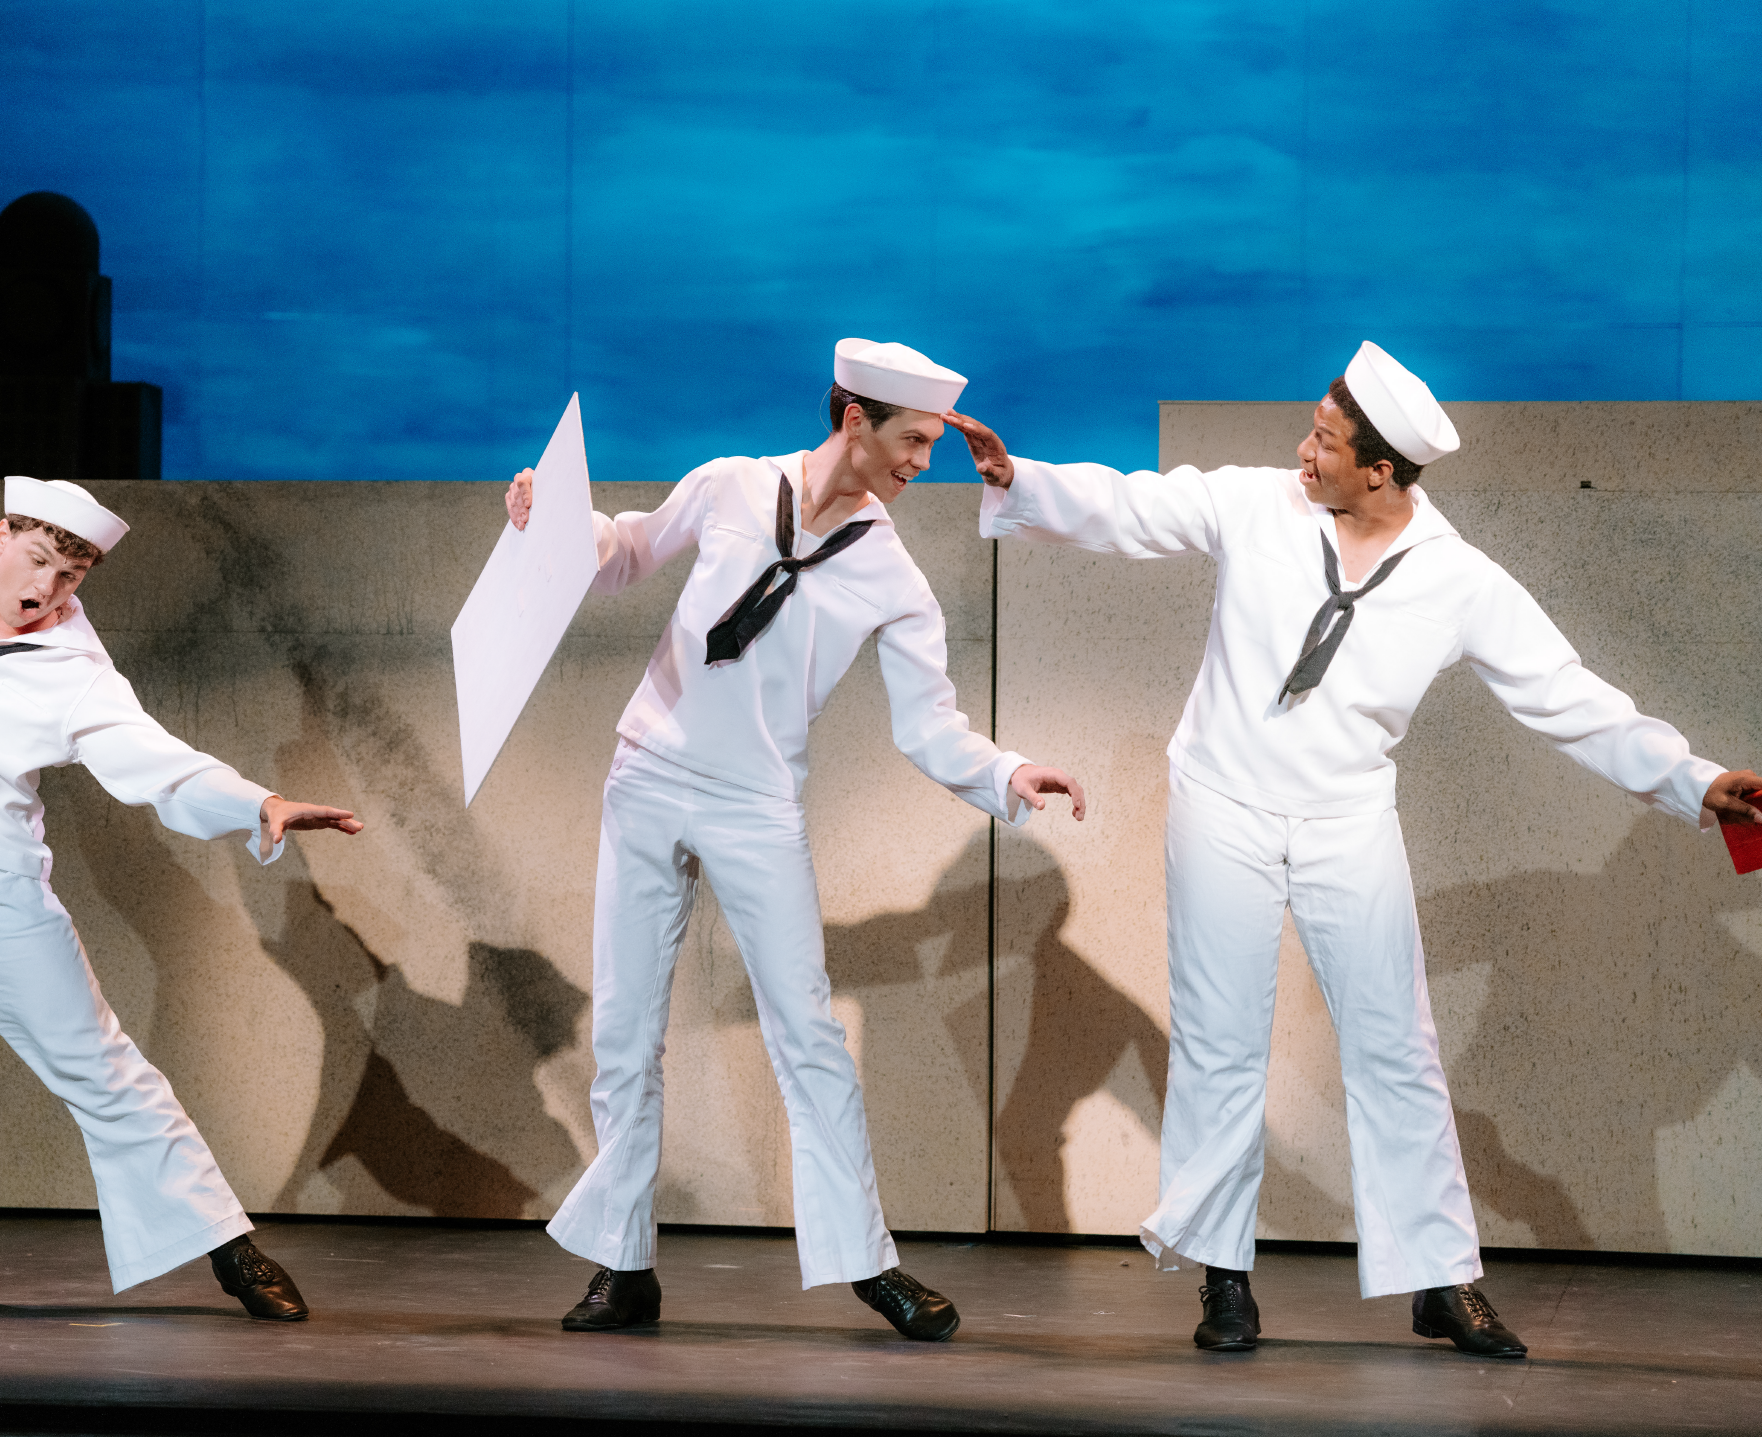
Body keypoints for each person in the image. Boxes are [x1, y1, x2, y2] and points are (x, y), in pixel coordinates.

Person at [952, 341, 1762, 1357]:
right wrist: (1018, 478)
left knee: (1396, 1044)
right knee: (1220, 1038)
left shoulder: (1457, 579)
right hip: (1223, 803)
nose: (1304, 450)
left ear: (1381, 469)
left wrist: (1695, 780)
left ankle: (1437, 1279)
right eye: (1312, 430)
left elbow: (1569, 697)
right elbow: (1138, 506)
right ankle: (1224, 1273)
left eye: (1326, 442)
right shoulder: (1260, 505)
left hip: (1346, 819)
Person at [0, 263, 364, 1320]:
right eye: (38, 556)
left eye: (72, 574)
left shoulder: (73, 672)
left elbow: (154, 761)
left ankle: (226, 1244)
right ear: (3, 536)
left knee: (97, 1068)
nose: (46, 587)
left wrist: (256, 802)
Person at [504, 339, 1087, 1341]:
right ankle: (623, 1264)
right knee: (626, 1032)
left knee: (808, 1033)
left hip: (756, 804)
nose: (921, 463)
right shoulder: (732, 484)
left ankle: (868, 1261)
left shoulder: (893, 576)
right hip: (647, 772)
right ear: (851, 418)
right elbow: (631, 549)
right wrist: (555, 528)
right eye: (911, 440)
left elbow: (928, 724)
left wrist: (1003, 772)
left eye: (930, 446)